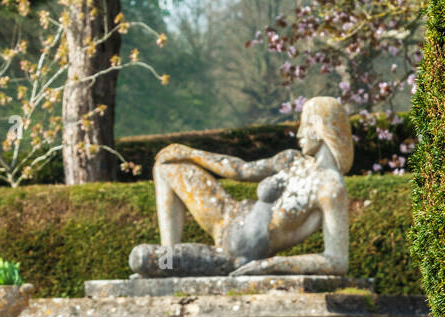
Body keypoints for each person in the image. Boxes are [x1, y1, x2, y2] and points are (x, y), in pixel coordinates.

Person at [136, 97, 353, 278]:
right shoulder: (291, 160)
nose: (298, 135)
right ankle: (166, 253)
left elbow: (337, 261)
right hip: (225, 214)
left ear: (318, 129)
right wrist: (190, 154)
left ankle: (161, 264)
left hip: (234, 255)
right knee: (166, 165)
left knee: (143, 258)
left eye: (304, 126)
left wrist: (270, 266)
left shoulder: (331, 188)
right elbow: (242, 170)